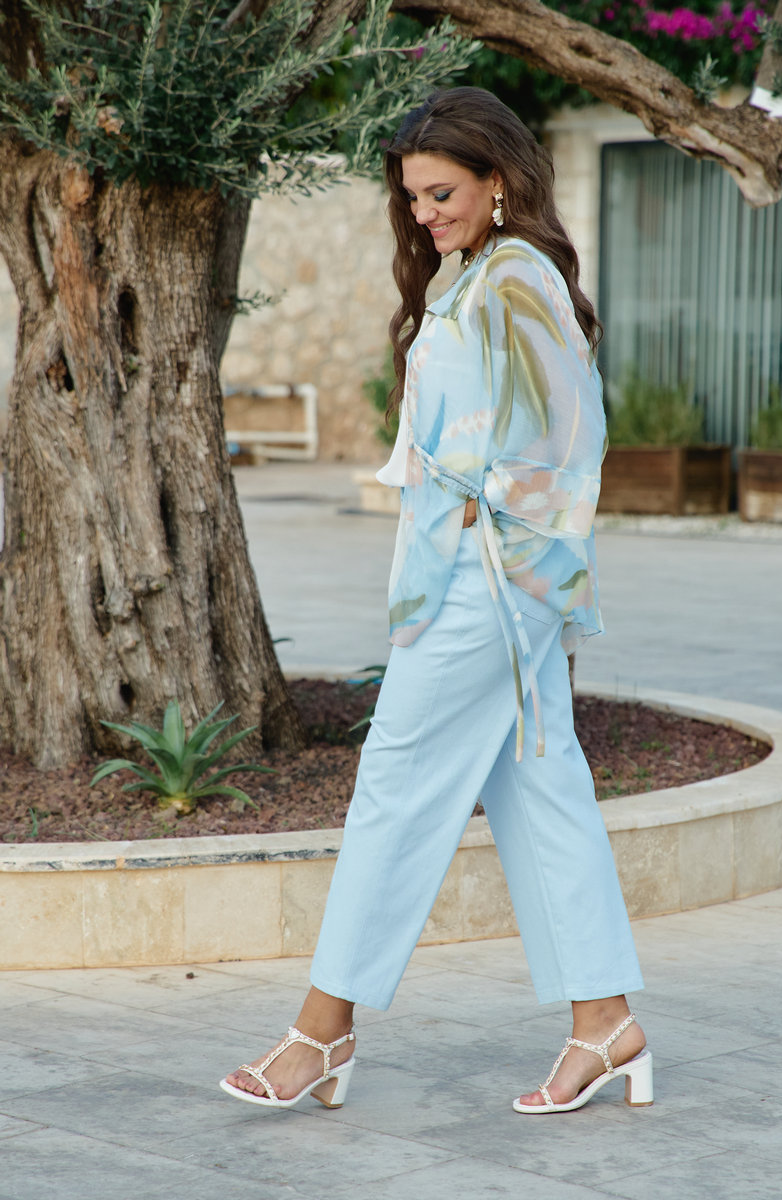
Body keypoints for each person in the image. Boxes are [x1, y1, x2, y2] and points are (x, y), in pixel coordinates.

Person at [220, 87, 653, 1116]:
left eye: (442, 193)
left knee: (395, 784)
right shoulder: (474, 275)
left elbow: (567, 440)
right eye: (413, 197)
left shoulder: (517, 279)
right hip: (468, 578)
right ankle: (605, 1022)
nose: (423, 214)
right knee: (540, 789)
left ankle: (322, 1029)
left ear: (497, 180)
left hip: (488, 582)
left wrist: (483, 522)